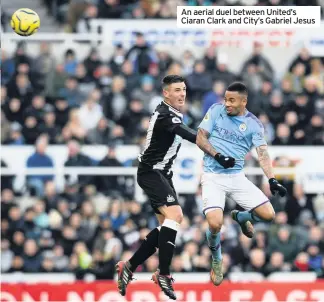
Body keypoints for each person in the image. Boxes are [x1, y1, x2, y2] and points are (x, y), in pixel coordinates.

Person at [196, 82, 287, 286]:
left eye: (231, 100)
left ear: (243, 101)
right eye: (226, 99)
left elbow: (262, 154)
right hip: (213, 176)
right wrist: (217, 156)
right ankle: (217, 259)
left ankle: (242, 216)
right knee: (214, 223)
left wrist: (272, 179)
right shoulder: (216, 110)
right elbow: (200, 138)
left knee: (269, 215)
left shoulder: (254, 124)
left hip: (236, 176)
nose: (226, 103)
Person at [116, 75, 197, 300]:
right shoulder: (164, 114)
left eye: (184, 89)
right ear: (166, 93)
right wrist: (216, 147)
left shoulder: (172, 113)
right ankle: (163, 273)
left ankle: (129, 266)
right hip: (152, 172)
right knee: (176, 215)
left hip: (162, 174)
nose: (182, 94)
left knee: (166, 229)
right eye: (177, 90)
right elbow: (189, 135)